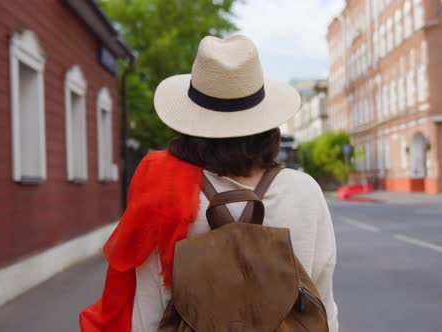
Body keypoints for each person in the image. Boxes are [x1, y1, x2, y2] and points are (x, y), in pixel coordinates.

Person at [80, 35, 339, 332]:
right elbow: (323, 301)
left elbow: (148, 312)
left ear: (191, 123)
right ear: (267, 123)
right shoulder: (304, 191)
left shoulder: (167, 192)